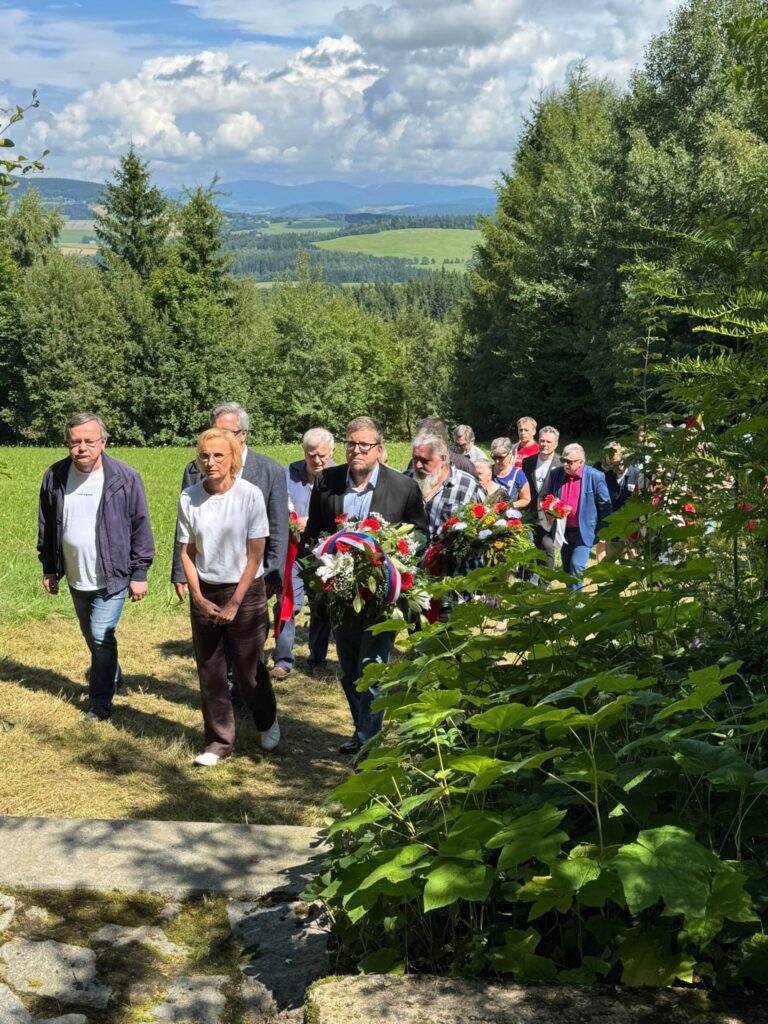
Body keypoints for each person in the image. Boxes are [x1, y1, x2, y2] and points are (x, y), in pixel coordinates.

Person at [306, 416, 428, 754]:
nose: (356, 450)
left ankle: (368, 742)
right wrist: (317, 565)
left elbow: (421, 533)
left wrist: (397, 553)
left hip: (381, 594)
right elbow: (314, 532)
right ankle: (363, 730)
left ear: (379, 449)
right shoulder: (328, 481)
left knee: (372, 668)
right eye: (351, 443)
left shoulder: (403, 487)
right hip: (340, 593)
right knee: (348, 670)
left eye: (364, 444)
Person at [37, 412, 154, 722]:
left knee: (101, 635)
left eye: (89, 441)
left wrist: (139, 573)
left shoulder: (125, 477)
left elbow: (140, 525)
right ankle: (113, 675)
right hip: (76, 575)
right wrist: (49, 567)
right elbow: (46, 525)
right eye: (75, 441)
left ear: (103, 442)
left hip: (113, 576)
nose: (82, 448)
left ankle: (99, 704)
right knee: (92, 636)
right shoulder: (55, 476)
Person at [177, 428, 279, 766]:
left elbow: (255, 555)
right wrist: (197, 596)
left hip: (245, 590)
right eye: (204, 456)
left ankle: (267, 719)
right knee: (211, 670)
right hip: (206, 589)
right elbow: (187, 552)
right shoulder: (189, 497)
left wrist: (235, 602)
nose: (211, 462)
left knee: (248, 670)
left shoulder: (249, 495)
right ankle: (218, 742)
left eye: (218, 455)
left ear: (233, 458)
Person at [172, 402, 288, 606]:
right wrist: (180, 573)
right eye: (214, 431)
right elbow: (185, 529)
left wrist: (272, 574)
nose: (218, 438)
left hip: (253, 579)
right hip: (205, 579)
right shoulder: (195, 470)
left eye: (226, 432)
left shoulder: (269, 471)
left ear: (243, 434)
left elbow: (278, 528)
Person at [272, 428, 335, 680]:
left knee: (322, 608)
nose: (317, 460)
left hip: (325, 556)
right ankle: (282, 660)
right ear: (304, 452)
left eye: (322, 455)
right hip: (294, 554)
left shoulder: (339, 476)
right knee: (287, 604)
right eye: (311, 455)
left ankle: (318, 660)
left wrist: (313, 521)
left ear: (332, 452)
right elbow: (276, 505)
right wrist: (291, 521)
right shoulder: (287, 473)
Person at [543, 443, 612, 589]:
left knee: (576, 565)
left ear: (581, 462)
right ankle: (571, 597)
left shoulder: (595, 476)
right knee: (567, 569)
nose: (565, 465)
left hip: (584, 530)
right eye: (563, 460)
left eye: (570, 462)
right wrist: (552, 510)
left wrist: (605, 531)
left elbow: (605, 505)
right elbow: (548, 498)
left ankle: (576, 601)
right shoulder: (556, 474)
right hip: (563, 530)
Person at [412, 432, 484, 553]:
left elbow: (485, 530)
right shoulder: (407, 481)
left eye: (424, 460)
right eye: (415, 459)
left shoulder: (467, 486)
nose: (418, 465)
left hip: (452, 562)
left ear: (442, 459)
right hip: (412, 562)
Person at [521, 426, 562, 585]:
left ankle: (545, 583)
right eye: (542, 440)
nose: (544, 444)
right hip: (530, 512)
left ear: (556, 444)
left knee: (547, 546)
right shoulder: (528, 462)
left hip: (550, 515)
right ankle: (528, 579)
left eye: (548, 442)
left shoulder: (560, 464)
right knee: (531, 546)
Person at [593, 444, 643, 561]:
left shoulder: (638, 475)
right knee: (611, 560)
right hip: (613, 527)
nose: (613, 466)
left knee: (635, 560)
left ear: (625, 459)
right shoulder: (606, 476)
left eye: (616, 462)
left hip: (632, 526)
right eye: (610, 463)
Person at [490, 437, 532, 511]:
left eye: (500, 457)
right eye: (494, 457)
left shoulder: (518, 474)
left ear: (509, 455)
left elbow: (526, 499)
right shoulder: (489, 471)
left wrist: (510, 505)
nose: (497, 461)